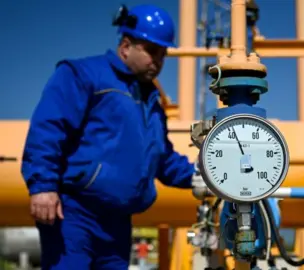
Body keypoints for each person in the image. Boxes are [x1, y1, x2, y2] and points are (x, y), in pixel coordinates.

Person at [21, 4, 202, 269]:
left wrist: (203, 175)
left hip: (118, 221)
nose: (158, 61)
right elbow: (48, 129)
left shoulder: (151, 102)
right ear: (126, 46)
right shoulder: (83, 75)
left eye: (163, 54)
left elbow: (162, 159)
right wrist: (43, 187)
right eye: (151, 51)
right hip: (75, 213)